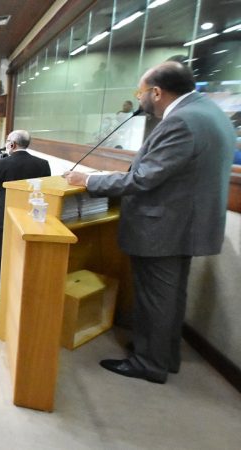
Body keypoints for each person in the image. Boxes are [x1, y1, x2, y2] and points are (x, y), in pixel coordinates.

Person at [64, 61, 234, 384]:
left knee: (155, 298)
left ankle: (149, 363)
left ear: (156, 92)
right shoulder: (209, 113)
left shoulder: (181, 122)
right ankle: (163, 355)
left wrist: (88, 181)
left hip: (165, 228)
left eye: (139, 92)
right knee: (171, 297)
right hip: (185, 225)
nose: (138, 98)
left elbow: (144, 179)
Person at [0, 130, 51, 296]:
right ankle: (23, 286)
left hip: (4, 215)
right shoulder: (43, 163)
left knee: (2, 251)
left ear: (12, 144)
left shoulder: (1, 163)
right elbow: (46, 188)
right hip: (32, 215)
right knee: (26, 252)